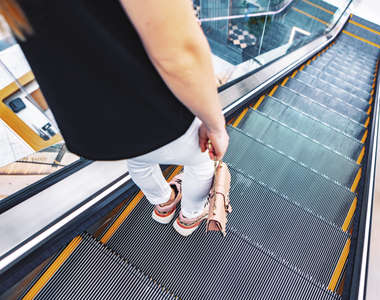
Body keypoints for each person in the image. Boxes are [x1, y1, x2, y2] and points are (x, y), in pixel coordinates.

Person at [1, 0, 229, 236]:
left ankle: (164, 203)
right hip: (157, 106)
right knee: (201, 162)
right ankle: (189, 217)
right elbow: (179, 52)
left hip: (95, 126)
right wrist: (216, 126)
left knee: (139, 161)